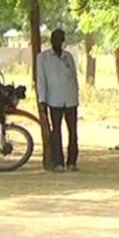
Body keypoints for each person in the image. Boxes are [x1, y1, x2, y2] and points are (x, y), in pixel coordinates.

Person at [36, 29, 80, 172]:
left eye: (61, 39)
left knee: (73, 131)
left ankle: (72, 161)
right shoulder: (43, 58)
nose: (58, 42)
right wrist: (42, 100)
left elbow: (74, 77)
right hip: (54, 99)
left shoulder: (68, 57)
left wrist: (76, 95)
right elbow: (41, 80)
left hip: (70, 99)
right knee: (56, 132)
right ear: (51, 40)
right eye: (55, 39)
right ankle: (58, 162)